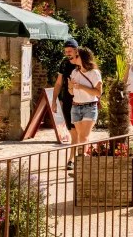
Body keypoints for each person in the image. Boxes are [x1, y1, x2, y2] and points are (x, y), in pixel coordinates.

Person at [51, 39, 79, 170]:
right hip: (68, 99)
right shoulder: (64, 63)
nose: (67, 53)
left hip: (82, 100)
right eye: (66, 51)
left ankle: (72, 158)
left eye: (69, 51)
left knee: (81, 131)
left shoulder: (83, 62)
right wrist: (54, 100)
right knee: (73, 131)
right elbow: (58, 82)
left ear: (76, 49)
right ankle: (76, 157)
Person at [68, 47, 102, 149]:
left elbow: (99, 93)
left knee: (83, 138)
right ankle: (86, 159)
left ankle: (82, 161)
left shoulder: (94, 73)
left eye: (77, 56)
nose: (74, 57)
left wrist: (82, 87)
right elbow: (71, 92)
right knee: (81, 138)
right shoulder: (74, 72)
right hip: (76, 107)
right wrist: (70, 86)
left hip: (89, 107)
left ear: (83, 58)